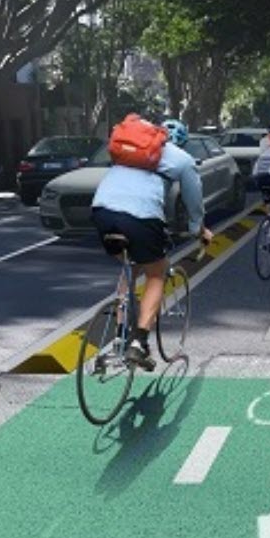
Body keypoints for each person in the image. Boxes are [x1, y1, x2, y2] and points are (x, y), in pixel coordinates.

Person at [91, 116, 214, 370]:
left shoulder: (129, 149)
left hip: (102, 210)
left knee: (130, 267)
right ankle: (139, 343)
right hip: (142, 217)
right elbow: (194, 200)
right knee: (156, 274)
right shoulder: (181, 159)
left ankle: (119, 335)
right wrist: (197, 229)